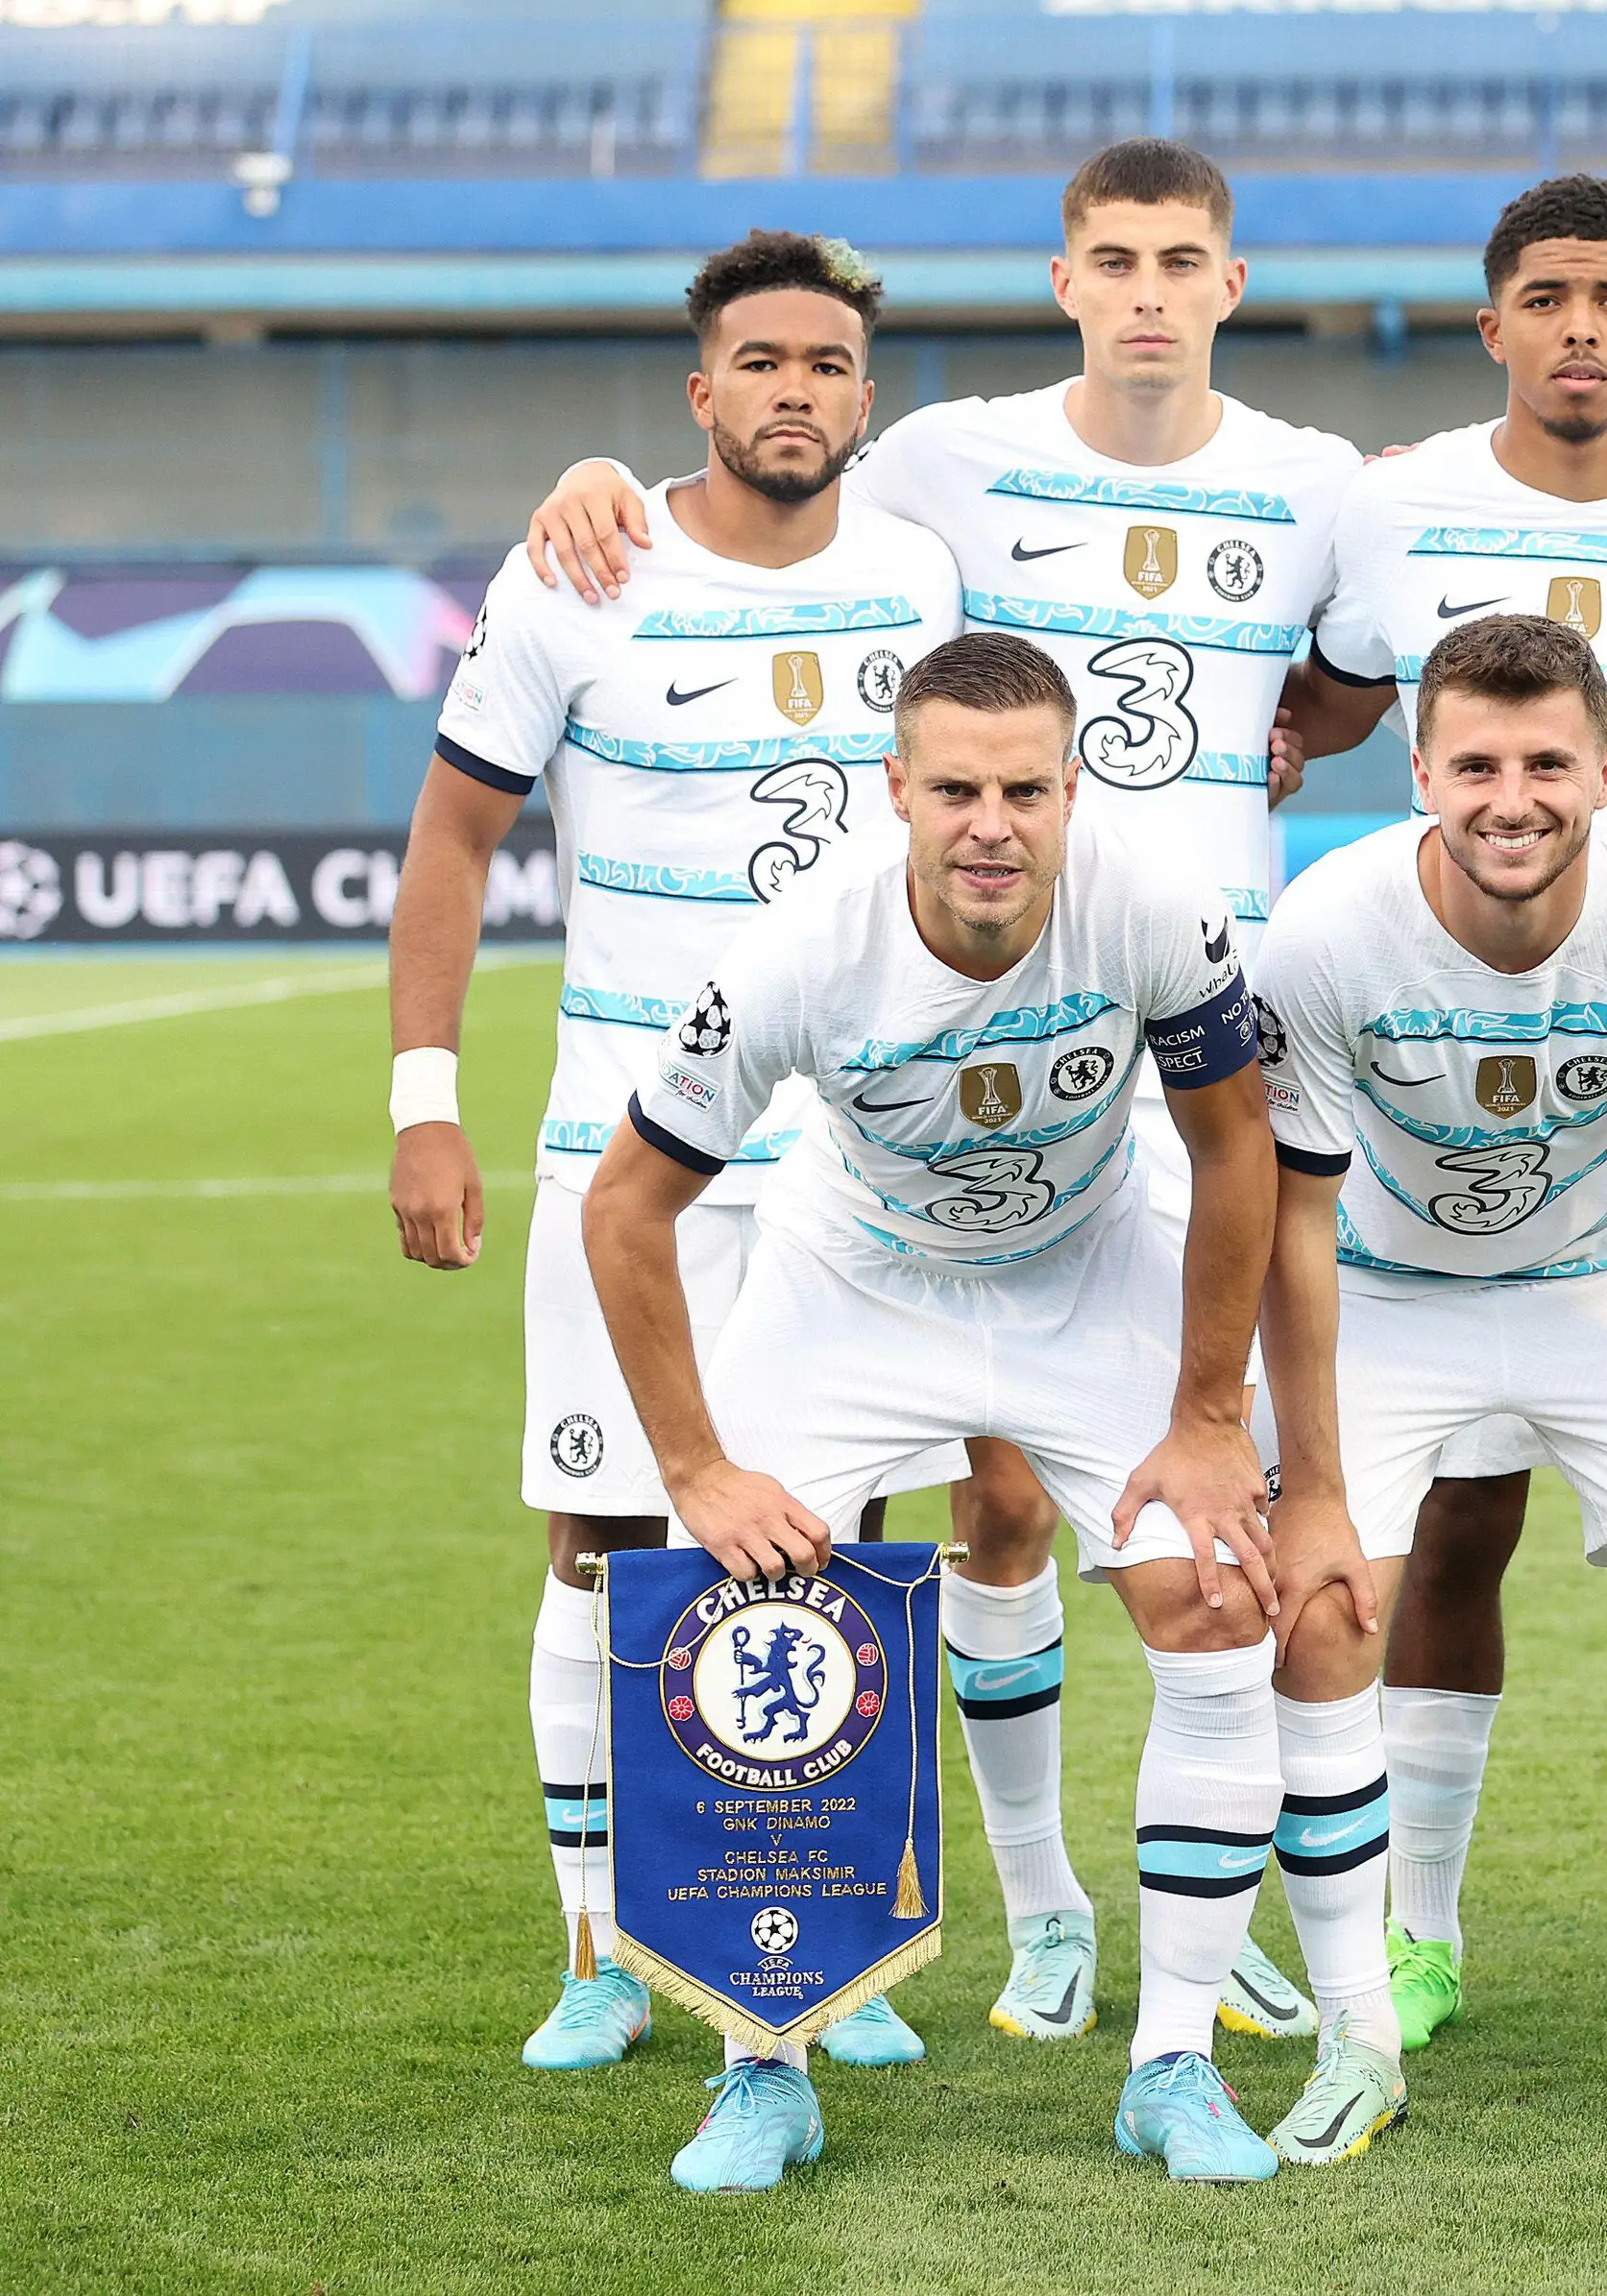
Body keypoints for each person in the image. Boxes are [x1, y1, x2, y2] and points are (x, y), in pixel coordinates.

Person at [519, 137, 1347, 2048]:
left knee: (1199, 1549)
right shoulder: (942, 467)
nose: (1149, 289)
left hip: (1146, 1043)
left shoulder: (1320, 481)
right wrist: (595, 481)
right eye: (1116, 258)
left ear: (1228, 280)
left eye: (1183, 259)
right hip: (909, 1127)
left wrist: (1291, 730)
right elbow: (762, 476)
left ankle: (1183, 1936)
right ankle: (899, 1954)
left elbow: (1367, 671)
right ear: (1068, 278)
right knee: (931, 1522)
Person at [583, 631, 1298, 2189]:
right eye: (959, 790)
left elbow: (1235, 1145)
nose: (993, 826)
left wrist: (1206, 1414)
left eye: (1025, 791)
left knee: (1216, 1597)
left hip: (1086, 1268)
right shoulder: (798, 953)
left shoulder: (1155, 907)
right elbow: (625, 1205)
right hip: (858, 1282)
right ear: (896, 788)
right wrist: (696, 1468)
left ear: (1072, 791)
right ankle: (760, 2071)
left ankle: (1172, 2064)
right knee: (743, 1617)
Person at [390, 230, 963, 2080]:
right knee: (606, 1538)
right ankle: (599, 1953)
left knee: (842, 1537)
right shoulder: (584, 567)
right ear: (701, 390)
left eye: (828, 362)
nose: (797, 389)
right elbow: (454, 842)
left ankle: (826, 1944)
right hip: (627, 1156)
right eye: (762, 361)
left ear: (864, 398)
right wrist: (422, 1101)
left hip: (857, 1157)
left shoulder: (920, 575)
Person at [1280, 173, 1607, 2056]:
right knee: (1446, 1536)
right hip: (1425, 1092)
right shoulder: (1389, 503)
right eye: (1544, 296)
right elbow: (1305, 699)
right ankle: (1413, 1936)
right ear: (1491, 322)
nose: (1578, 327)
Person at [1249, 613, 1607, 2161]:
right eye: (1479, 766)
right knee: (1320, 1613)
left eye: (1549, 765)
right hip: (1390, 1290)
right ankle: (1359, 2034)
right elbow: (1294, 1225)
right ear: (1419, 774)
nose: (1515, 800)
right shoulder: (1326, 931)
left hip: (1603, 1285)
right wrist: (1316, 1488)